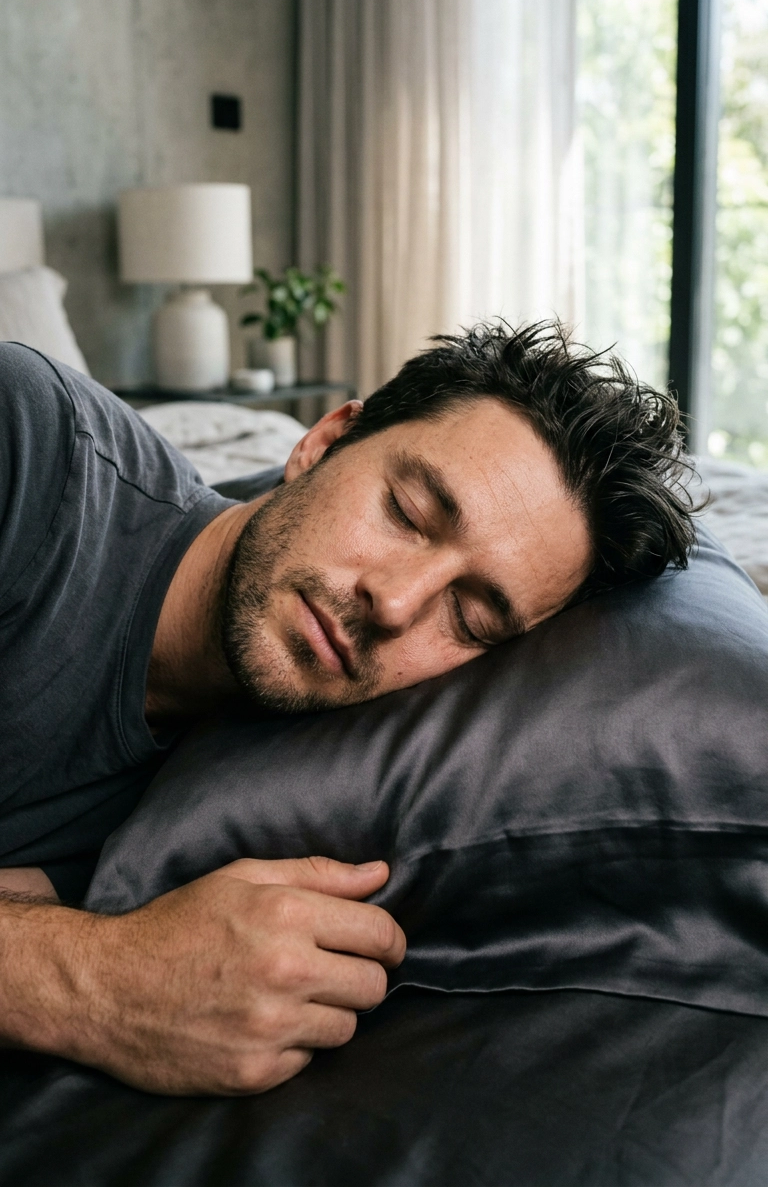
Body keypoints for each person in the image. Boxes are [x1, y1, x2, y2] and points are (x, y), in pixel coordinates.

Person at [0, 323, 694, 1095]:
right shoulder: (25, 446)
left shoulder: (259, 803)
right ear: (323, 442)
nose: (395, 604)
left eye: (468, 619)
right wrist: (99, 978)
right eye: (406, 511)